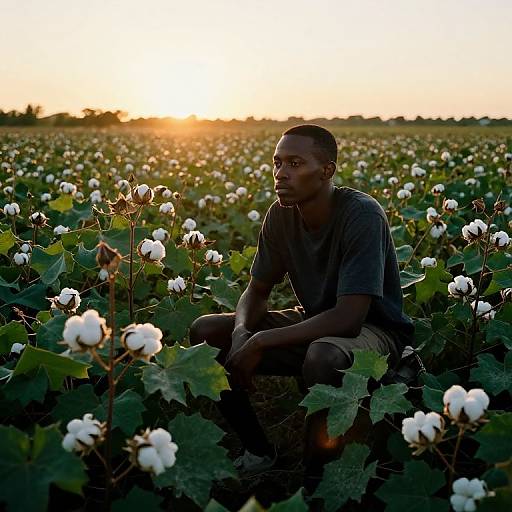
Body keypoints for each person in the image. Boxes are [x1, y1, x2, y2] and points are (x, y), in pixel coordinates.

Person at [189, 124, 415, 495]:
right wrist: (242, 332)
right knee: (206, 331)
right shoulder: (280, 216)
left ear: (327, 170)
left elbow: (349, 317)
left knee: (323, 355)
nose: (281, 173)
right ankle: (258, 451)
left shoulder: (362, 214)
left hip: (375, 332)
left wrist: (260, 342)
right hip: (315, 322)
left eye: (295, 163)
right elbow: (256, 290)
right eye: (277, 163)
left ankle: (316, 479)